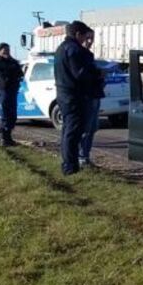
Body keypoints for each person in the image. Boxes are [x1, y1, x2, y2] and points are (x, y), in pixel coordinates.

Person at [53, 21, 95, 175]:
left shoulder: (61, 48)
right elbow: (80, 73)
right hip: (73, 95)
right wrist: (97, 75)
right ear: (78, 34)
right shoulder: (73, 49)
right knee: (72, 131)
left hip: (64, 94)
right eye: (84, 36)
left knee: (68, 130)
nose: (85, 39)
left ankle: (69, 163)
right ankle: (70, 166)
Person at [78, 30, 106, 168]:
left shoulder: (89, 55)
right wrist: (98, 74)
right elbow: (82, 76)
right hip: (86, 96)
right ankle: (81, 156)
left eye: (92, 39)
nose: (90, 41)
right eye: (87, 38)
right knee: (86, 128)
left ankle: (85, 155)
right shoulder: (78, 54)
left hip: (94, 95)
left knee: (93, 127)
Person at [0, 43, 23, 147]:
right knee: (5, 115)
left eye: (8, 50)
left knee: (12, 115)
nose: (6, 52)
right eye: (4, 50)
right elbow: (5, 78)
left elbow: (19, 72)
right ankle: (4, 138)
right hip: (4, 91)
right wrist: (12, 73)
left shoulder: (12, 62)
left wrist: (13, 71)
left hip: (13, 90)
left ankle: (9, 137)